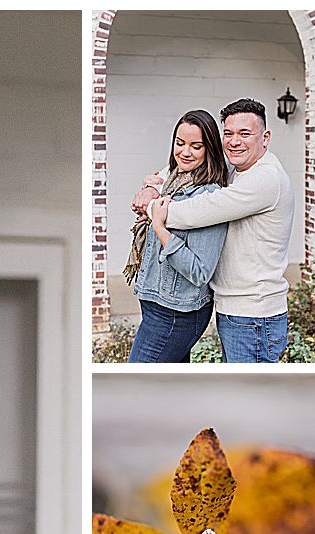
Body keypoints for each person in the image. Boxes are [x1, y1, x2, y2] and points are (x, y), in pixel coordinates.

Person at [148, 98, 297, 362]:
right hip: (236, 311)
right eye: (228, 133)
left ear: (265, 138)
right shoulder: (237, 167)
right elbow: (186, 165)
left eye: (245, 133)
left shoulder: (265, 179)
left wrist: (152, 209)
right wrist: (154, 185)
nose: (234, 141)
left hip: (254, 315)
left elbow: (201, 210)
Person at [124, 110, 232, 362]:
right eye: (180, 143)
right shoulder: (173, 180)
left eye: (196, 146)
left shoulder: (209, 197)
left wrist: (160, 229)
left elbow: (200, 272)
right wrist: (150, 195)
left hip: (176, 313)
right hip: (157, 304)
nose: (185, 152)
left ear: (209, 149)